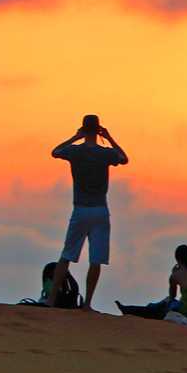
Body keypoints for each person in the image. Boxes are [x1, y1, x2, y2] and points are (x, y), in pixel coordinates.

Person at [50, 114, 128, 312]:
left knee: (67, 255)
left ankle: (51, 300)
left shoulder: (75, 152)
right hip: (100, 210)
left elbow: (55, 151)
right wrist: (110, 138)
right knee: (96, 259)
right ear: (99, 129)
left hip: (81, 209)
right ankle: (87, 304)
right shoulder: (105, 153)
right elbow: (124, 158)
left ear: (83, 129)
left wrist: (75, 137)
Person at [117, 244, 187, 321]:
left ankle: (132, 310)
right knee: (164, 304)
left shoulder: (175, 275)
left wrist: (174, 274)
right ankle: (134, 309)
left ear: (177, 259)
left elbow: (172, 296)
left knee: (163, 303)